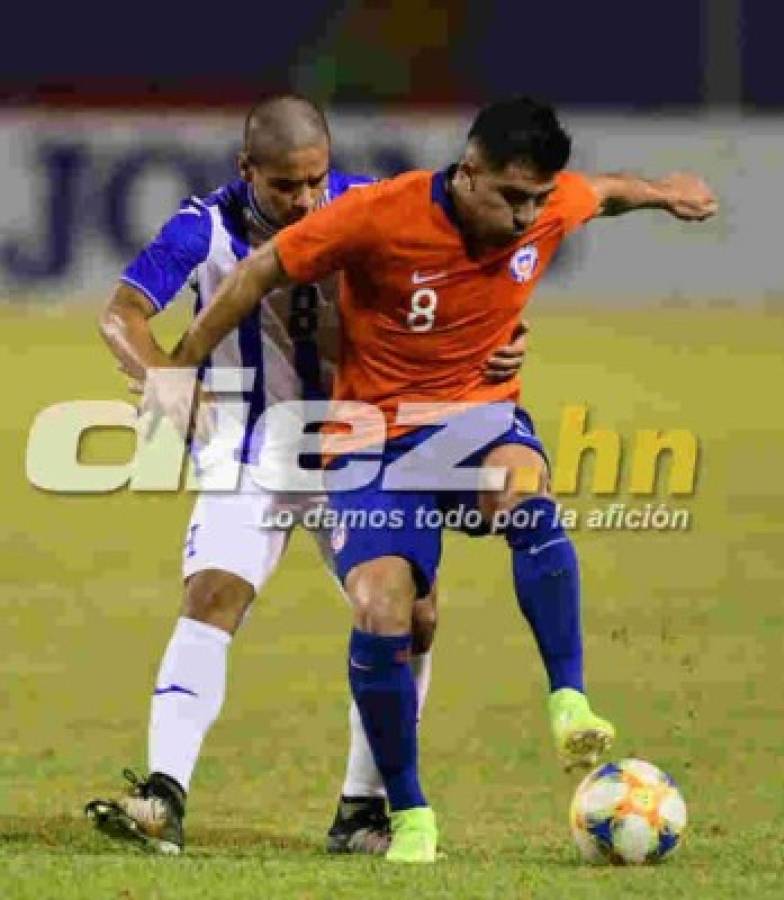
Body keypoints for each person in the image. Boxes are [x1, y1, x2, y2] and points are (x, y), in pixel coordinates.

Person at [169, 96, 718, 863]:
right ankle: (408, 814)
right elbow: (261, 267)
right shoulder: (381, 214)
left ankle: (568, 699)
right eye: (510, 197)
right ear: (467, 175)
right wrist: (185, 361)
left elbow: (607, 191)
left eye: (536, 198)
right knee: (382, 607)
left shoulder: (548, 202)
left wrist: (665, 192)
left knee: (524, 493)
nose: (527, 215)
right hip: (375, 440)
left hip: (475, 417)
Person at [84, 95, 529, 856]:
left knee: (412, 613)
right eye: (285, 185)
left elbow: (462, 276)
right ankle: (162, 794)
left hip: (357, 444)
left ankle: (362, 809)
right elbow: (121, 314)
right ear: (245, 169)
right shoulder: (203, 226)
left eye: (314, 181)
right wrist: (161, 374)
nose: (303, 200)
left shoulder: (369, 207)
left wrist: (498, 341)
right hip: (247, 442)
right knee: (214, 591)